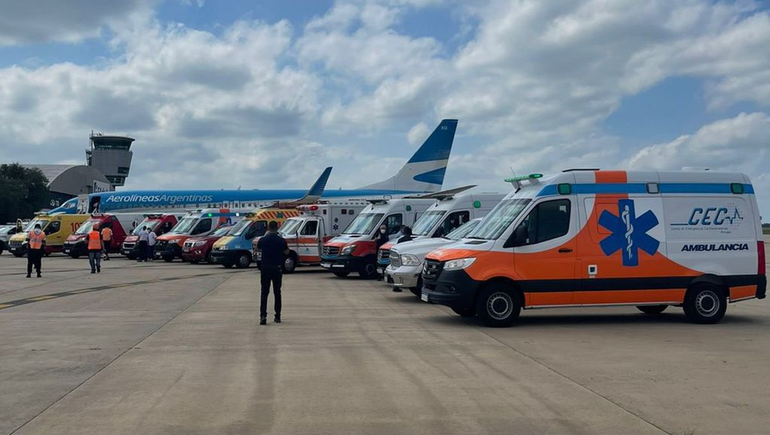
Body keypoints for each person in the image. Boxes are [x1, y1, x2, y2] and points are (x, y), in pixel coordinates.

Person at [256, 220, 289, 325]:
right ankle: (277, 316)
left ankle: (263, 316)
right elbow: (286, 252)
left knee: (264, 293)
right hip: (277, 268)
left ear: (268, 228)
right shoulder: (281, 240)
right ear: (277, 228)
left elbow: (257, 249)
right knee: (277, 292)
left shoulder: (263, 240)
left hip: (265, 268)